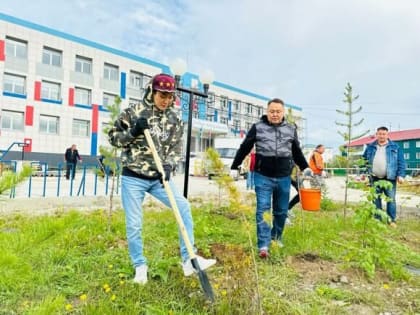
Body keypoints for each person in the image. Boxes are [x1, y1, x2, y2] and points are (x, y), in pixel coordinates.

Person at [108, 73, 216, 284]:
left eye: (169, 96)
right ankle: (140, 266)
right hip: (133, 177)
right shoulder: (134, 112)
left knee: (183, 207)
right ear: (152, 91)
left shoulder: (175, 118)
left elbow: (176, 146)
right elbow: (113, 138)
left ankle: (189, 260)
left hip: (159, 178)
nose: (166, 100)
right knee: (134, 224)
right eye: (162, 95)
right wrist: (133, 131)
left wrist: (170, 164)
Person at [230, 98, 310, 258]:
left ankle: (276, 237)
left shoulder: (290, 129)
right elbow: (245, 147)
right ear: (267, 112)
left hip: (284, 177)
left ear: (283, 112)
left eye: (278, 111)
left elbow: (296, 151)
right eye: (272, 111)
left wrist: (305, 166)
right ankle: (264, 245)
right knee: (263, 210)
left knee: (281, 211)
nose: (275, 114)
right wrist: (234, 166)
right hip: (263, 176)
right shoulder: (257, 128)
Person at [362, 126, 406, 227]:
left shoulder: (395, 147)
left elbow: (401, 162)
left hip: (389, 178)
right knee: (375, 199)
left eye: (384, 134)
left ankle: (391, 220)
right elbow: (364, 161)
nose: (382, 136)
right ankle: (377, 219)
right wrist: (363, 174)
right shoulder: (370, 147)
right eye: (380, 134)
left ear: (387, 135)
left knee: (391, 199)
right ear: (376, 134)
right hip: (374, 178)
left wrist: (401, 175)